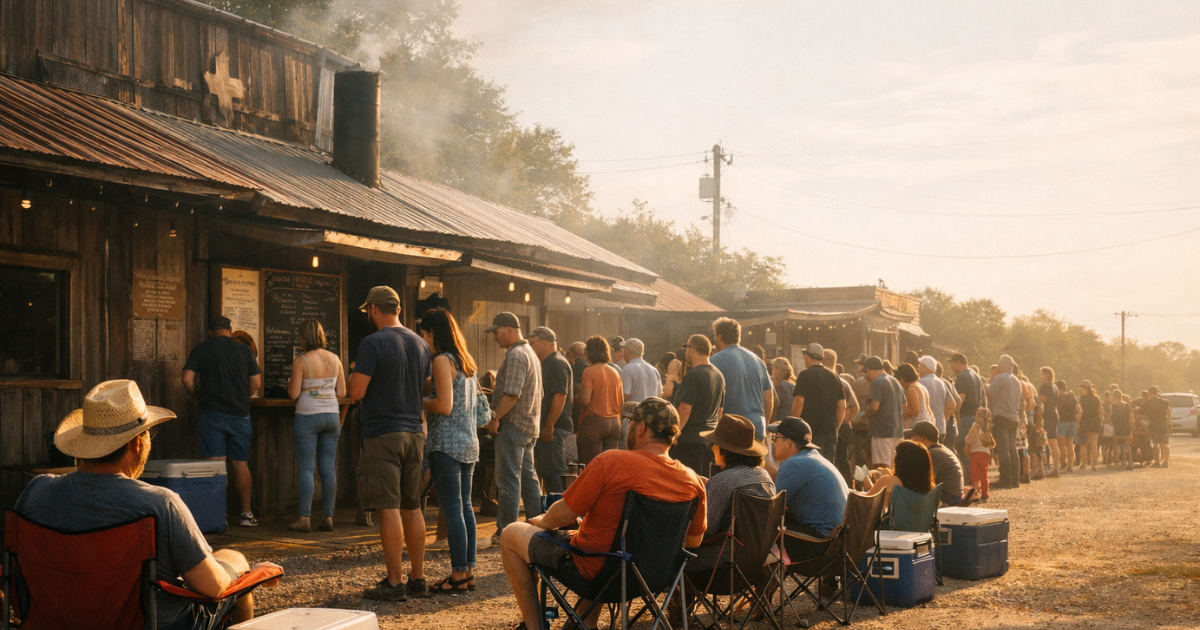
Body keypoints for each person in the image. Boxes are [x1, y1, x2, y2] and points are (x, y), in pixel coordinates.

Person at [16, 380, 278, 628]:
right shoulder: (160, 504)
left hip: (54, 623)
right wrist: (248, 573)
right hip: (152, 624)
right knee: (235, 561)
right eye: (148, 433)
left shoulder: (36, 490)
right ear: (136, 443)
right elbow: (211, 587)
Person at [498, 398, 706, 630]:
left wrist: (542, 522)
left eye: (631, 423)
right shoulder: (692, 480)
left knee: (510, 534)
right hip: (654, 578)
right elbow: (693, 540)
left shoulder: (611, 462)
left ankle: (535, 625)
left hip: (596, 576)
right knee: (606, 543)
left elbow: (561, 516)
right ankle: (584, 622)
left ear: (641, 428)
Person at [348, 286, 433, 601]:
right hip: (414, 432)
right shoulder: (421, 343)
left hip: (383, 432)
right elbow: (423, 385)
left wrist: (349, 377)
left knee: (388, 507)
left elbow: (356, 392)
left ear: (372, 308)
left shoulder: (372, 343)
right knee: (413, 507)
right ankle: (418, 578)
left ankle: (395, 583)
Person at [416, 308, 484, 594]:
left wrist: (418, 400)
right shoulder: (466, 361)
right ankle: (467, 571)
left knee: (453, 509)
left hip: (446, 444)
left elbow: (443, 405)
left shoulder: (442, 360)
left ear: (432, 333)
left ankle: (457, 574)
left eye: (424, 335)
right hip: (469, 442)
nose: (424, 341)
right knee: (465, 507)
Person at [181, 315, 263, 528]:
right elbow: (256, 382)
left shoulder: (201, 349)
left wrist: (197, 395)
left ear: (210, 332)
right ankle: (246, 514)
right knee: (240, 463)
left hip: (211, 413)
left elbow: (186, 378)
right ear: (230, 329)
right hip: (239, 413)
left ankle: (219, 514)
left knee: (216, 465)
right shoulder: (244, 350)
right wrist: (243, 396)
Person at [686, 414, 774, 579]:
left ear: (724, 450)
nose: (712, 447)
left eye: (715, 444)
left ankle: (681, 602)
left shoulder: (722, 482)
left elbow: (705, 531)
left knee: (675, 553)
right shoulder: (765, 477)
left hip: (722, 562)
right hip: (757, 559)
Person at [483, 312, 544, 545]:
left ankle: (505, 532)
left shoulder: (517, 355)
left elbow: (512, 393)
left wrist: (495, 417)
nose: (494, 338)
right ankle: (536, 528)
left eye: (496, 332)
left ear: (508, 329)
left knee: (508, 481)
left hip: (513, 425)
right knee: (529, 479)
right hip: (529, 426)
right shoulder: (531, 353)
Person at [286, 319, 346, 533]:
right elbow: (341, 393)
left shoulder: (301, 361)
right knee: (328, 469)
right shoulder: (335, 359)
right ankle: (328, 517)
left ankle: (304, 518)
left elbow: (293, 393)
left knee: (307, 469)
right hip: (331, 417)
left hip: (308, 417)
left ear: (303, 338)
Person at [770, 417, 848, 562]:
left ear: (789, 443)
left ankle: (765, 580)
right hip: (839, 543)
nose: (773, 443)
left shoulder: (794, 464)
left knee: (760, 527)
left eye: (775, 438)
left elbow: (770, 506)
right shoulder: (815, 458)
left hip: (819, 543)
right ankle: (770, 580)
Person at [709, 317, 774, 440]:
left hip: (732, 426)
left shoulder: (717, 359)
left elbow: (711, 395)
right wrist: (765, 422)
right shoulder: (758, 360)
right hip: (758, 425)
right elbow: (769, 397)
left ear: (720, 337)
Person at [674, 334, 726, 477]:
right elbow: (720, 411)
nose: (685, 352)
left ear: (693, 349)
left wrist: (674, 433)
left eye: (686, 347)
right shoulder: (719, 375)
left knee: (689, 483)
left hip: (690, 440)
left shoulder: (693, 376)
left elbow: (685, 409)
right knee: (704, 483)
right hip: (709, 439)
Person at [529, 326, 573, 494]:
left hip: (555, 427)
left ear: (544, 343)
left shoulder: (557, 363)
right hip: (548, 426)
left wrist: (549, 424)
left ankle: (560, 516)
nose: (530, 347)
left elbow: (560, 395)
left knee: (553, 473)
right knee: (546, 472)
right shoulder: (548, 362)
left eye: (532, 343)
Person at [790, 343, 846, 458]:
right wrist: (835, 427)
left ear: (807, 357)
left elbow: (798, 403)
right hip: (830, 429)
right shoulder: (834, 376)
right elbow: (841, 406)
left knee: (810, 463)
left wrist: (793, 425)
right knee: (828, 464)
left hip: (810, 430)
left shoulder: (804, 375)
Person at [577, 336, 624, 463]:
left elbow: (585, 400)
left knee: (591, 467)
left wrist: (577, 397)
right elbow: (621, 403)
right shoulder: (615, 372)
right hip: (614, 423)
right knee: (609, 467)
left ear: (588, 352)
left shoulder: (589, 371)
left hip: (594, 422)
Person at [986, 355, 1023, 489]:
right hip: (1014, 417)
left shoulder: (999, 378)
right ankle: (1015, 480)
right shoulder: (1016, 380)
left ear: (1001, 365)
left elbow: (990, 395)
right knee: (1012, 449)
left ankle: (1005, 480)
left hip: (1001, 416)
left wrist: (985, 387)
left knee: (1003, 449)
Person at [907, 420, 964, 505]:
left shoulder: (932, 454)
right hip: (952, 496)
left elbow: (918, 479)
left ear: (923, 438)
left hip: (947, 499)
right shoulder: (941, 449)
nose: (910, 440)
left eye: (912, 437)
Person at [864, 356, 905, 468]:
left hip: (882, 432)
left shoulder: (877, 382)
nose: (866, 376)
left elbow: (874, 407)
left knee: (882, 468)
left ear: (868, 369)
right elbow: (903, 405)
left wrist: (863, 415)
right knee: (893, 467)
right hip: (897, 431)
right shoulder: (895, 381)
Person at [861, 440, 936, 498]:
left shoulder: (891, 481)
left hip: (894, 518)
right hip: (918, 518)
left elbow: (866, 502)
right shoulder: (929, 489)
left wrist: (865, 480)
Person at [951, 353, 983, 485]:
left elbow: (961, 399)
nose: (952, 367)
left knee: (965, 448)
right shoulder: (976, 375)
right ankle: (978, 479)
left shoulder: (962, 376)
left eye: (952, 364)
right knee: (975, 449)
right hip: (977, 416)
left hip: (965, 417)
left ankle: (971, 479)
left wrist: (953, 415)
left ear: (959, 362)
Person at [828, 351, 860, 484]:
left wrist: (843, 422)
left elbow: (854, 407)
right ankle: (847, 488)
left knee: (834, 458)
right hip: (843, 426)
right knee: (841, 458)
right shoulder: (842, 382)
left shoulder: (836, 382)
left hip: (836, 426)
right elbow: (855, 407)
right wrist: (847, 421)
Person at [917, 356, 955, 437]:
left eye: (920, 365)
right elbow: (952, 404)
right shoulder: (941, 382)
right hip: (941, 427)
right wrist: (940, 414)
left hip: (925, 427)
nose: (918, 367)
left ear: (925, 367)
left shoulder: (920, 383)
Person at [963, 408, 995, 503]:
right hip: (985, 453)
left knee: (974, 473)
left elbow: (969, 439)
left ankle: (976, 492)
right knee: (983, 474)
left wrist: (966, 447)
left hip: (975, 453)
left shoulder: (975, 426)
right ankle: (985, 493)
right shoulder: (988, 428)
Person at [621, 338, 663, 403]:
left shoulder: (627, 368)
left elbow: (625, 395)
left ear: (628, 352)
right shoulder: (654, 370)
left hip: (633, 412)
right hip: (650, 412)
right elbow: (659, 394)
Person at [1037, 367, 1060, 478]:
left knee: (1041, 442)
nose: (1040, 376)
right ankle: (1056, 468)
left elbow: (1042, 401)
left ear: (1047, 375)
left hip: (1046, 416)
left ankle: (1041, 469)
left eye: (1041, 374)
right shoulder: (1054, 386)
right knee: (1054, 444)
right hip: (1054, 415)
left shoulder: (1045, 386)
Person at [896, 363, 933, 430]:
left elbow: (914, 411)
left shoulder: (911, 389)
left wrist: (899, 416)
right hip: (926, 423)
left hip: (918, 427)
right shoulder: (920, 386)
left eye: (899, 378)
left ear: (903, 377)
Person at [1142, 386, 1172, 468]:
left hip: (1154, 424)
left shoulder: (1148, 403)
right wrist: (1169, 420)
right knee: (1164, 443)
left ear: (1150, 393)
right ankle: (1165, 462)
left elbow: (1144, 414)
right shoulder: (1163, 401)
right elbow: (1168, 411)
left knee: (1156, 443)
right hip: (1163, 424)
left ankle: (1157, 462)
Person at [1056, 379, 1080, 473]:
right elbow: (1080, 411)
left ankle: (1062, 464)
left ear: (1057, 388)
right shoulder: (1071, 397)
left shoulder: (1057, 398)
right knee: (1070, 445)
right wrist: (1076, 421)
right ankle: (1070, 465)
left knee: (1061, 446)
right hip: (1072, 423)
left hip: (1061, 423)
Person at [1078, 380, 1102, 471]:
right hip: (1095, 423)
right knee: (1094, 444)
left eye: (1081, 387)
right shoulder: (1097, 398)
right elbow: (1100, 412)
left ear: (1084, 388)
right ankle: (1093, 466)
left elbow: (1079, 412)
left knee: (1083, 444)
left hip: (1084, 423)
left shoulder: (1081, 399)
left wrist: (1078, 422)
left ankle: (1083, 464)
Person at [1109, 388, 1133, 469]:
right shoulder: (1127, 405)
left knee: (1116, 445)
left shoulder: (1112, 406)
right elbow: (1131, 418)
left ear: (1113, 396)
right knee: (1126, 445)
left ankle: (1117, 462)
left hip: (1117, 428)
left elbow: (1110, 418)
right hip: (1126, 427)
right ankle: (1127, 462)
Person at [770, 357, 796, 424]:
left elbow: (773, 406)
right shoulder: (793, 386)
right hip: (792, 422)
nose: (771, 371)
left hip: (780, 423)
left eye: (773, 368)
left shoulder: (779, 387)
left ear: (778, 370)